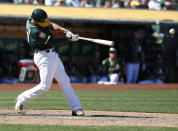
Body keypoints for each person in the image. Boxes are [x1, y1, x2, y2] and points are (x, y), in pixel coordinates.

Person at [15, 8, 85, 116]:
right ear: (35, 21)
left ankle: (76, 108)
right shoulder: (36, 32)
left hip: (52, 55)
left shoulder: (31, 19)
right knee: (45, 86)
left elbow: (51, 25)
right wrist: (69, 39)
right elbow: (53, 42)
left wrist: (66, 31)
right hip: (44, 57)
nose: (44, 22)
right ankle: (21, 100)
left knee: (65, 81)